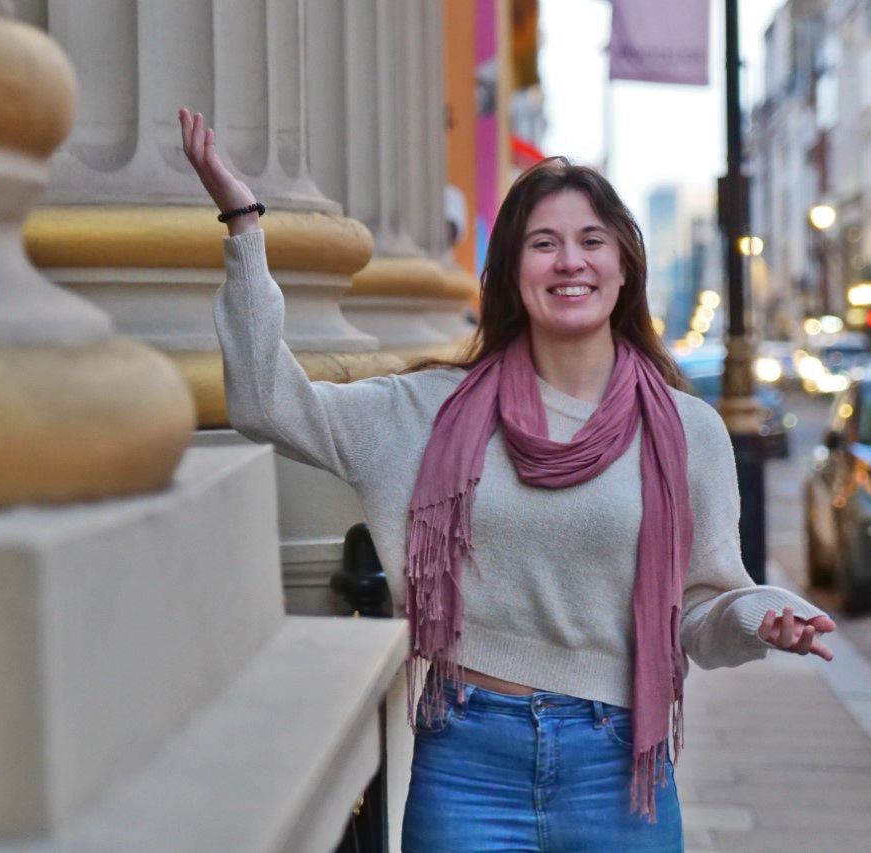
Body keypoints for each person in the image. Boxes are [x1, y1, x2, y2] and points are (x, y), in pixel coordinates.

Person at [179, 107, 836, 852]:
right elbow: (268, 401)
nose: (569, 262)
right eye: (543, 244)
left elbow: (701, 607)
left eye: (592, 241)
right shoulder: (426, 413)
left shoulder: (688, 431)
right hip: (465, 758)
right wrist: (241, 224)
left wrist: (762, 616)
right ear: (510, 272)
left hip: (617, 766)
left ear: (625, 266)